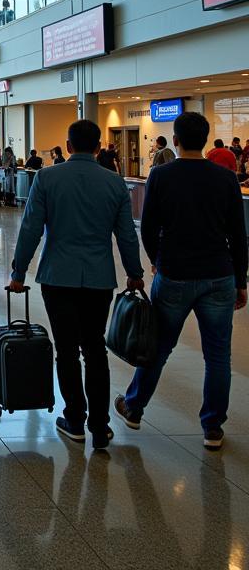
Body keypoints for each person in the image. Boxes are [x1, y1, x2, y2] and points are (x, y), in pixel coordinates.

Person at [8, 119, 144, 451]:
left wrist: (18, 272)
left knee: (66, 350)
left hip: (58, 277)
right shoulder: (114, 183)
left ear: (68, 146)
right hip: (98, 279)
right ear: (98, 148)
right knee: (95, 350)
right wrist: (134, 272)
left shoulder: (47, 178)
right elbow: (126, 233)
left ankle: (74, 418)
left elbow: (31, 229)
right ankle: (100, 426)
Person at [116, 112, 247, 450]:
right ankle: (213, 427)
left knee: (158, 347)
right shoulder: (226, 178)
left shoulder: (161, 175)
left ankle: (134, 407)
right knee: (218, 356)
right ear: (204, 140)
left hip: (174, 273)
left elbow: (146, 226)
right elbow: (238, 234)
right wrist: (241, 280)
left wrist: (157, 261)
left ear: (175, 140)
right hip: (219, 275)